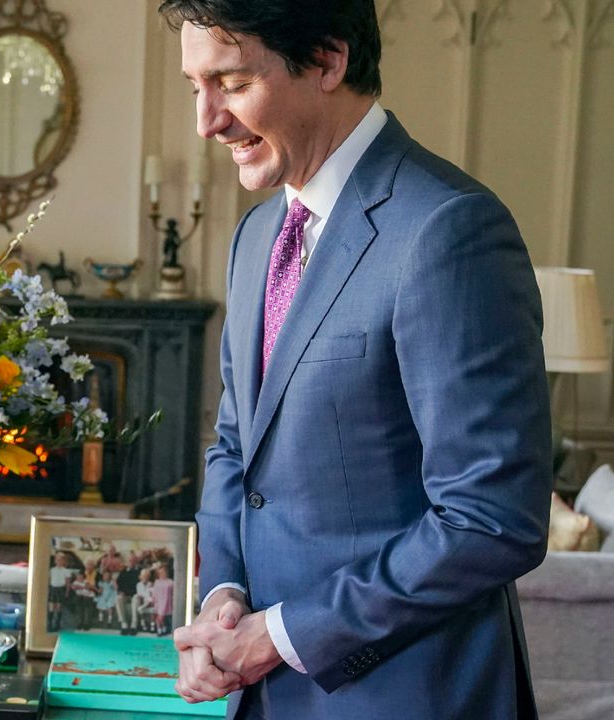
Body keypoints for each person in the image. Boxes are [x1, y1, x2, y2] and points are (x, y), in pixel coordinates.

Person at [161, 1, 551, 717]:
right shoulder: (255, 239)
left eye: (234, 83)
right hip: (258, 695)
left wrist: (279, 635)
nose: (207, 121)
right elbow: (233, 446)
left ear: (328, 61)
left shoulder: (448, 229)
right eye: (196, 88)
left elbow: (490, 518)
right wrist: (224, 599)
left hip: (405, 696)